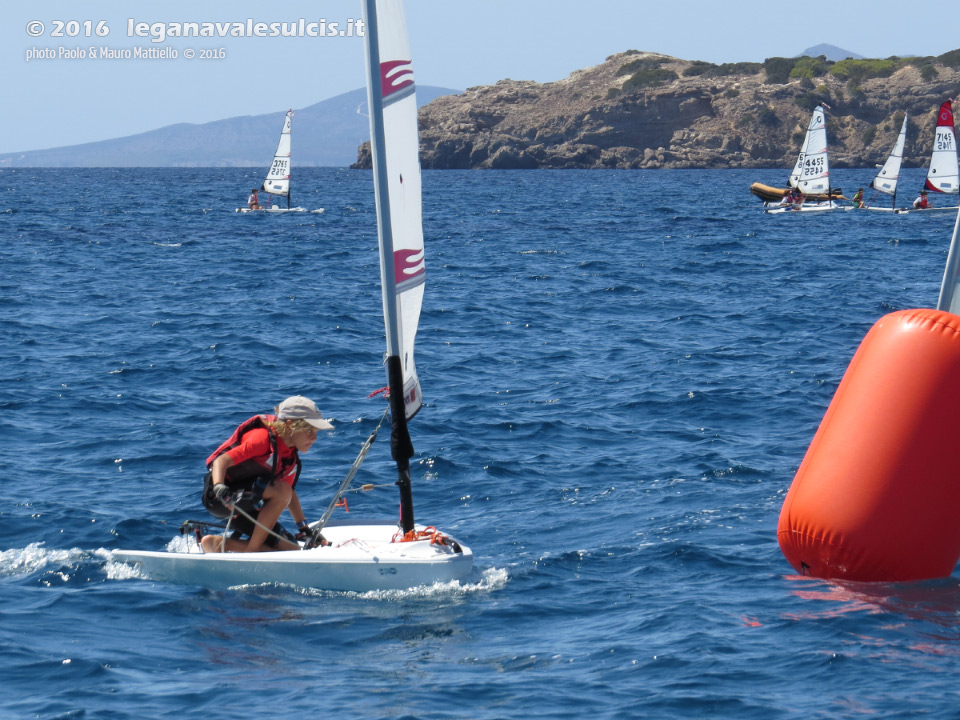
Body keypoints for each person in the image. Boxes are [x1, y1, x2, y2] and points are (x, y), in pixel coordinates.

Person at [199, 395, 333, 553]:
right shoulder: (262, 439)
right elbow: (220, 462)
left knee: (291, 549)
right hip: (220, 497)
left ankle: (218, 544)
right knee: (281, 491)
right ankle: (252, 552)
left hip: (247, 507)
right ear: (290, 425)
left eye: (316, 432)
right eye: (310, 430)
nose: (314, 438)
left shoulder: (290, 457)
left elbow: (290, 494)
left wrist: (303, 528)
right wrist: (220, 488)